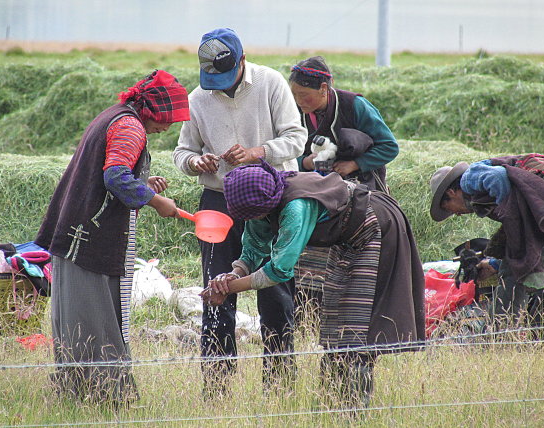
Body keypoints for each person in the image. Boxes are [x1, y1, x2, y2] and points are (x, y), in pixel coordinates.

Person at [202, 159, 425, 408]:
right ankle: (331, 402)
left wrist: (229, 288)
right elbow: (253, 247)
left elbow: (278, 270)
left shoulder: (295, 207)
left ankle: (353, 408)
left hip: (374, 226)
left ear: (267, 204)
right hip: (346, 237)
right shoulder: (261, 200)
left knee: (356, 323)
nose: (254, 219)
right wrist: (233, 274)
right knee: (334, 317)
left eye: (256, 215)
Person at [35, 70, 189, 405]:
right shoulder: (130, 126)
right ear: (153, 111)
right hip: (87, 238)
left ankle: (80, 395)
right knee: (93, 320)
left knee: (81, 319)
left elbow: (108, 175)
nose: (167, 128)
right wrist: (157, 201)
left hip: (78, 232)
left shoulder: (115, 117)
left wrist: (143, 186)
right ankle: (102, 398)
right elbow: (115, 176)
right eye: (168, 120)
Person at [172, 28, 307, 395]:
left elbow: (297, 138)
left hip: (271, 197)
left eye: (224, 77)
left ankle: (279, 387)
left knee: (276, 296)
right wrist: (196, 162)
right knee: (216, 292)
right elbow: (182, 152)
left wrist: (256, 152)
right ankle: (216, 388)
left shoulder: (271, 83)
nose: (218, 86)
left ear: (242, 60)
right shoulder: (198, 98)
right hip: (219, 203)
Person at [287, 56, 399, 325]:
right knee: (311, 256)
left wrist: (353, 164)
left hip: (362, 196)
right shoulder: (294, 113)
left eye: (304, 95)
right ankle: (310, 316)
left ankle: (353, 312)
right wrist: (306, 162)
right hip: (316, 195)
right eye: (294, 94)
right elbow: (291, 152)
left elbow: (389, 147)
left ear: (324, 88)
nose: (299, 100)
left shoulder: (355, 106)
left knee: (353, 257)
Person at [429, 153, 544, 338]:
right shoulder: (482, 193)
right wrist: (495, 262)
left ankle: (499, 339)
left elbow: (498, 180)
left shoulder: (469, 179)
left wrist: (514, 232)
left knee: (515, 270)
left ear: (451, 193)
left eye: (449, 209)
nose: (456, 215)